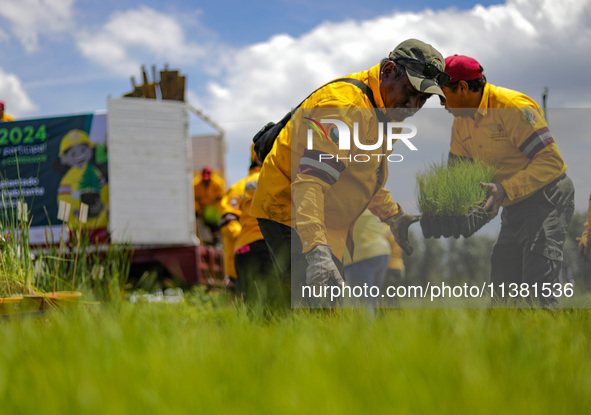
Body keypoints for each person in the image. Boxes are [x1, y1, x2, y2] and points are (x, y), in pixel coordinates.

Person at [250, 39, 449, 307]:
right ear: (388, 70)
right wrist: (316, 253)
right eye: (409, 91)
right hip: (292, 209)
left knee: (322, 310)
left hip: (327, 221)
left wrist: (394, 216)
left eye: (423, 99)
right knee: (314, 308)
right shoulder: (344, 109)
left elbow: (365, 178)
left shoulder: (389, 115)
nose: (413, 105)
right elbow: (310, 182)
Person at [441, 54, 575, 308]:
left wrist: (504, 189)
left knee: (538, 282)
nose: (440, 103)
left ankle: (550, 340)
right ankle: (505, 343)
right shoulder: (461, 123)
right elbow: (458, 176)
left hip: (547, 197)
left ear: (462, 88)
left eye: (441, 94)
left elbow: (551, 161)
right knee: (502, 284)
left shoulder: (512, 107)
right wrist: (448, 209)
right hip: (513, 204)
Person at [55, 129, 109, 231]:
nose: (80, 156)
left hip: (99, 226)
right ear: (64, 158)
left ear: (90, 149)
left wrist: (101, 206)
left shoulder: (95, 173)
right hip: (75, 228)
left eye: (83, 150)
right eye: (73, 154)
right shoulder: (67, 179)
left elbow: (105, 191)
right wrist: (73, 214)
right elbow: (62, 202)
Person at [343, 209, 390, 309]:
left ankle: (367, 324)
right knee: (372, 300)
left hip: (360, 256)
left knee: (363, 303)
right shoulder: (369, 198)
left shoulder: (343, 201)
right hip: (381, 253)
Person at [193, 166, 225, 244]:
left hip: (214, 209)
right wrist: (197, 210)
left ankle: (216, 240)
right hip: (202, 209)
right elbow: (195, 198)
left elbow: (220, 197)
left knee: (215, 226)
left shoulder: (218, 183)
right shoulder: (196, 184)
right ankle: (206, 241)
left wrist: (218, 210)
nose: (206, 180)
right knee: (202, 227)